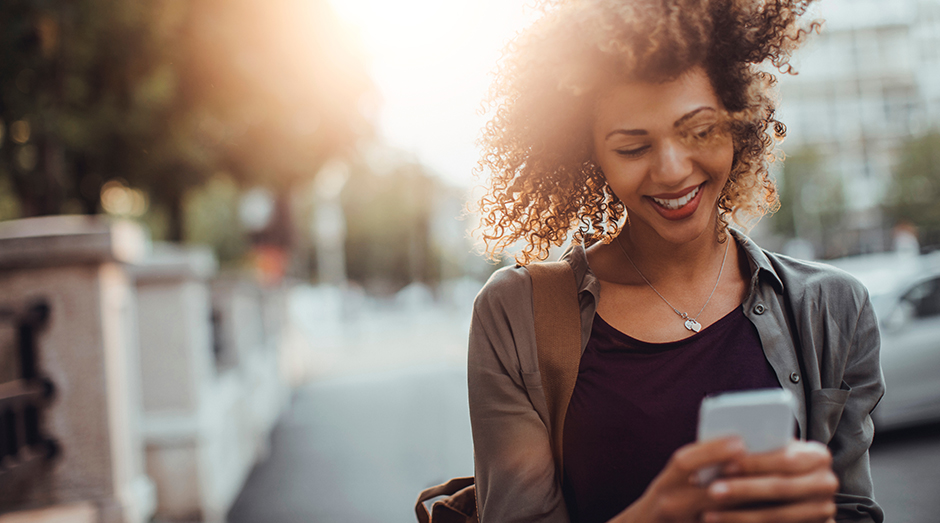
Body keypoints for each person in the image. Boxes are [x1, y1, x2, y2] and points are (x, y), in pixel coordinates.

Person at [467, 1, 885, 522]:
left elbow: (852, 509)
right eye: (633, 147)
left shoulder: (833, 308)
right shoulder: (515, 315)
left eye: (699, 130)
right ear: (588, 152)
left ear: (737, 122)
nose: (672, 170)